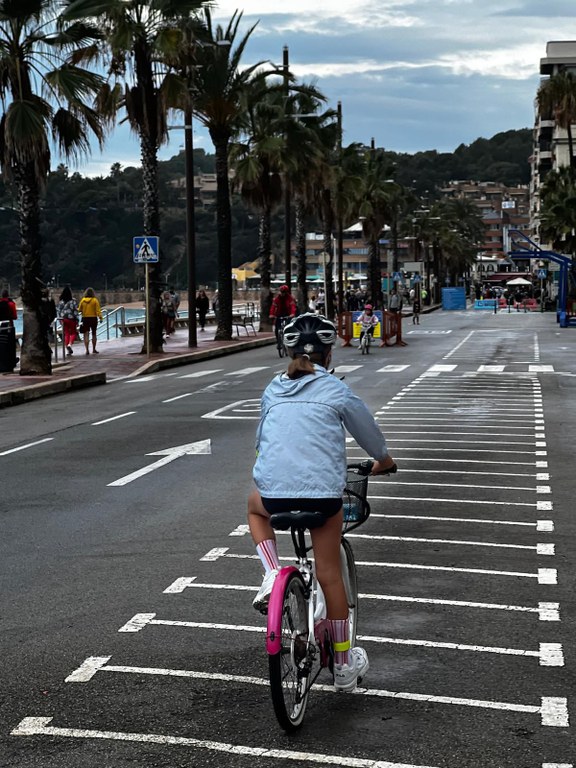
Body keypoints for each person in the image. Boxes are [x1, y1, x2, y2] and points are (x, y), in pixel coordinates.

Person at [247, 313, 397, 692]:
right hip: (322, 495)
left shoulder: (273, 388)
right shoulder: (335, 389)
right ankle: (344, 666)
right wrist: (384, 461)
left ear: (288, 351)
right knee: (330, 576)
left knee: (254, 506)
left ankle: (270, 573)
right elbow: (370, 436)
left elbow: (262, 440)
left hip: (275, 493)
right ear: (329, 354)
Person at [78, 287, 103, 355]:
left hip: (85, 318)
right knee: (94, 334)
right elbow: (98, 310)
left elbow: (79, 309)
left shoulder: (83, 300)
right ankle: (94, 349)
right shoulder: (95, 300)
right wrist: (100, 318)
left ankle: (87, 350)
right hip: (93, 318)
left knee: (86, 334)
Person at [56, 286, 79, 355]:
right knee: (73, 333)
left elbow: (59, 311)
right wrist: (77, 320)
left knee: (66, 334)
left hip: (64, 319)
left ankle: (67, 349)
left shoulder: (61, 302)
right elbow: (75, 311)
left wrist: (60, 319)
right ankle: (70, 344)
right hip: (71, 319)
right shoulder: (73, 301)